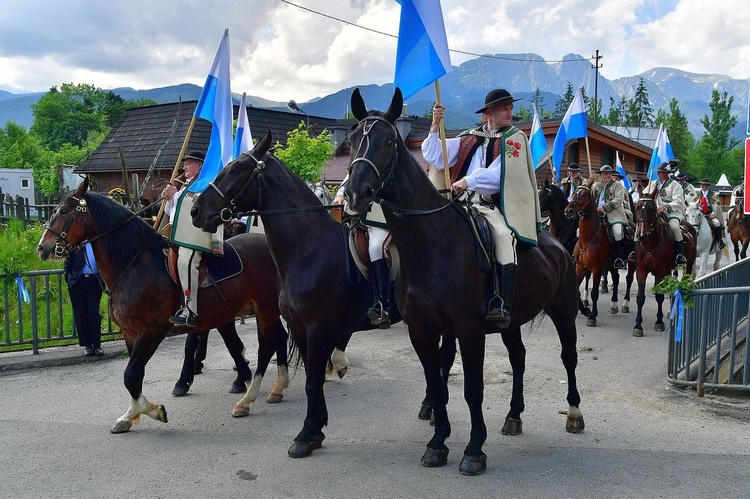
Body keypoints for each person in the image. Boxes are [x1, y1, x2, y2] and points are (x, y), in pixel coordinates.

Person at [422, 88, 542, 327]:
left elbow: (502, 175)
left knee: (503, 236)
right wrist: (435, 125)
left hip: (487, 205)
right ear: (489, 113)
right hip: (458, 203)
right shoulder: (470, 136)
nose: (510, 112)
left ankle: (501, 303)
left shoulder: (514, 138)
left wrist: (470, 180)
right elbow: (436, 156)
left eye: (510, 108)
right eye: (504, 108)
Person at [162, 150, 222, 327]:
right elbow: (172, 212)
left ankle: (190, 311)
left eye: (189, 163)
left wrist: (175, 194)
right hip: (177, 233)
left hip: (196, 235)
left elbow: (194, 209)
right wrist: (170, 199)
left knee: (186, 261)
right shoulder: (188, 184)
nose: (184, 167)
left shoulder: (205, 184)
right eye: (185, 163)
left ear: (200, 166)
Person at [333, 179, 393, 328]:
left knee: (375, 248)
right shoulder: (360, 157)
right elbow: (350, 179)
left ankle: (382, 305)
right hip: (355, 217)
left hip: (379, 219)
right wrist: (340, 195)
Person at [630, 161, 687, 264]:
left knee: (674, 227)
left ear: (666, 173)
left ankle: (678, 255)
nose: (658, 174)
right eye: (658, 172)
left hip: (672, 212)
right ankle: (635, 253)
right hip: (655, 211)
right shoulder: (654, 183)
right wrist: (640, 201)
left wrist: (665, 207)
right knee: (640, 225)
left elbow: (679, 201)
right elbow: (645, 195)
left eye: (660, 172)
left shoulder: (675, 185)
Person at [64, 243, 104, 356]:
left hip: (94, 281)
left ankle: (97, 345)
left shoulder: (97, 244)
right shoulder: (75, 246)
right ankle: (87, 345)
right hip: (78, 282)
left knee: (93, 313)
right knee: (81, 315)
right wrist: (69, 278)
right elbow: (67, 264)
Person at [593, 165, 628, 269]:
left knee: (617, 231)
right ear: (601, 175)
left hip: (614, 214)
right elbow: (592, 198)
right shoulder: (596, 186)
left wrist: (604, 207)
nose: (608, 175)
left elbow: (618, 200)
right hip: (597, 214)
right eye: (605, 173)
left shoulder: (617, 185)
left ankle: (619, 258)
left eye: (609, 173)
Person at [693, 178, 727, 249]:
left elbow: (717, 206)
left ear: (708, 186)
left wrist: (713, 213)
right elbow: (693, 204)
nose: (703, 186)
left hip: (709, 214)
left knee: (717, 223)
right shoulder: (698, 194)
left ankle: (720, 241)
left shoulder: (713, 195)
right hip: (699, 213)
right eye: (701, 185)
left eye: (704, 185)